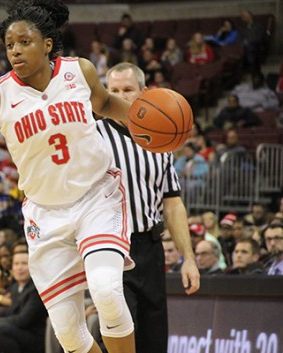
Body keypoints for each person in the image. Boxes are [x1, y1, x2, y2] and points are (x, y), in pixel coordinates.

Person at [0, 1, 139, 352]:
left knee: (105, 289)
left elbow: (105, 104)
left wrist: (144, 115)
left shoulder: (80, 71)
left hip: (96, 196)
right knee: (69, 335)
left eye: (24, 42)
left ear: (47, 44)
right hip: (45, 213)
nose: (15, 51)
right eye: (9, 45)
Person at [97, 63, 199, 353]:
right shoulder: (92, 136)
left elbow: (173, 203)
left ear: (143, 93)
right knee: (121, 341)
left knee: (154, 342)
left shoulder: (163, 138)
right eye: (113, 90)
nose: (119, 96)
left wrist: (188, 258)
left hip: (151, 250)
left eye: (127, 90)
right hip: (110, 250)